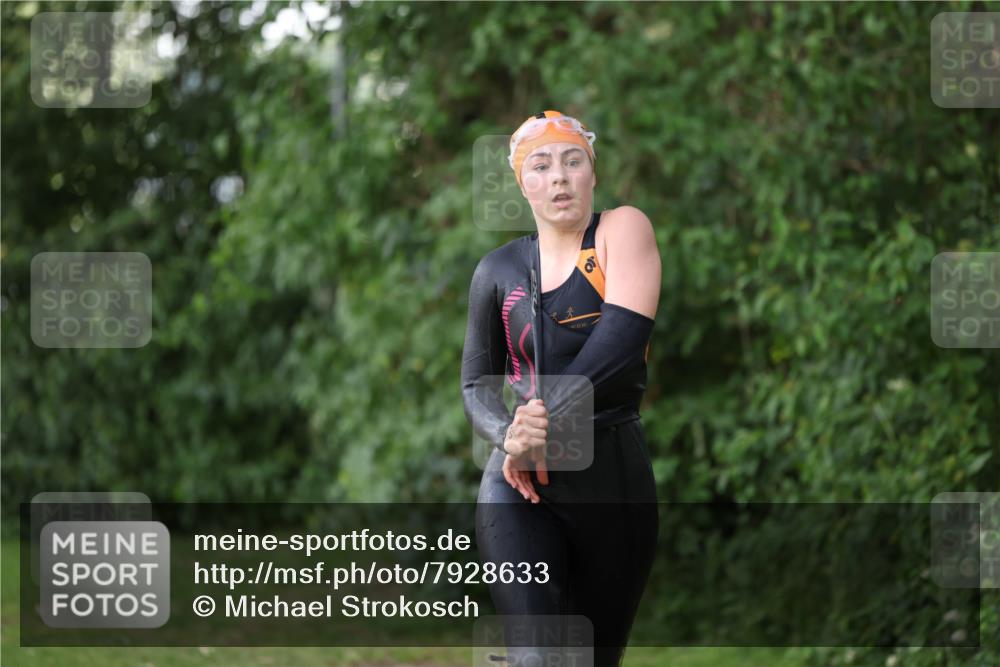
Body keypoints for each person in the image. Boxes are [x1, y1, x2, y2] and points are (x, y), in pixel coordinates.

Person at [462, 110, 661, 667]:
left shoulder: (622, 229)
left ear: (592, 174)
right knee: (537, 659)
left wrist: (534, 424)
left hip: (613, 482)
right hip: (521, 487)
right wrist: (508, 437)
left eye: (573, 162)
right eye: (541, 166)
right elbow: (476, 381)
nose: (559, 177)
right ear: (523, 184)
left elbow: (621, 347)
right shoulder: (498, 269)